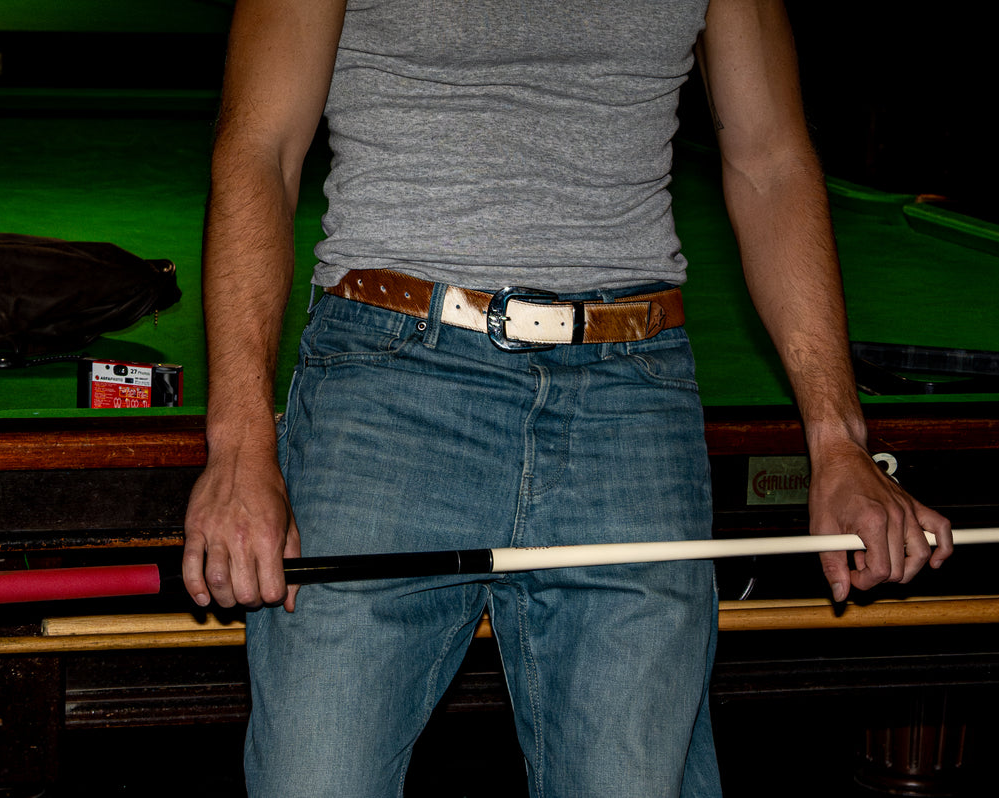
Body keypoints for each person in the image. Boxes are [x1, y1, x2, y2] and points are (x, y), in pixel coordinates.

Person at [182, 1, 953, 795]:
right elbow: (259, 150)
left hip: (631, 399)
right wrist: (239, 447)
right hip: (388, 388)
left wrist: (838, 443)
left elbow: (771, 160)